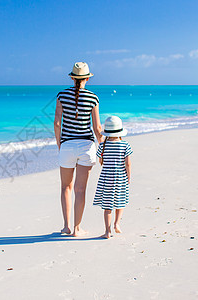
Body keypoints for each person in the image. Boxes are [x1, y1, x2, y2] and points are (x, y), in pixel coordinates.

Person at [54, 62, 103, 237]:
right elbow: (97, 128)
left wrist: (60, 144)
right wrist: (102, 147)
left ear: (72, 77)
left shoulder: (62, 95)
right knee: (80, 190)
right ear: (88, 78)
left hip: (67, 145)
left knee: (65, 187)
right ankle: (77, 228)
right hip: (86, 146)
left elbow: (57, 123)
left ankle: (66, 226)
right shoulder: (93, 98)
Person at [93, 116, 133, 239]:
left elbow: (101, 161)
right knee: (120, 201)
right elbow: (128, 163)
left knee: (107, 206)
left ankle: (107, 231)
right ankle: (117, 224)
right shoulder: (125, 145)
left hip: (106, 178)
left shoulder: (102, 146)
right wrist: (128, 176)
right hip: (120, 177)